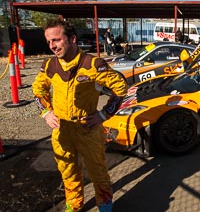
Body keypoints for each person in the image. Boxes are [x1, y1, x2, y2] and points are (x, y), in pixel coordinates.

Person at [32, 19, 128, 211]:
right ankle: (74, 205)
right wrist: (46, 112)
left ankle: (105, 206)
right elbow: (38, 90)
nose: (52, 46)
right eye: (49, 41)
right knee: (67, 171)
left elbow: (121, 89)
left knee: (98, 173)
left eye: (57, 40)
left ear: (72, 39)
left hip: (88, 130)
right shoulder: (49, 65)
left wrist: (103, 115)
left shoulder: (93, 64)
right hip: (61, 131)